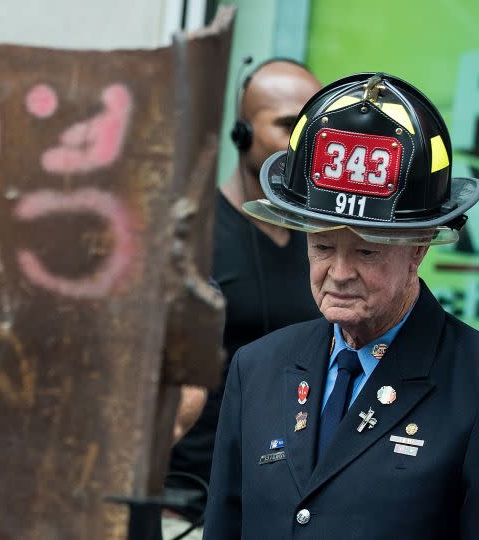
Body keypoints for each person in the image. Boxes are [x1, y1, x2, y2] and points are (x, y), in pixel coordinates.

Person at [203, 72, 479, 539]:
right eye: (322, 247)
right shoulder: (256, 369)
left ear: (420, 246)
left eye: (367, 251)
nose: (339, 273)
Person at [164, 59, 323, 533]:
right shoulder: (191, 235)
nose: (303, 143)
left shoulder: (325, 243)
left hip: (286, 504)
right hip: (187, 501)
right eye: (287, 125)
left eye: (312, 129)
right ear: (241, 132)